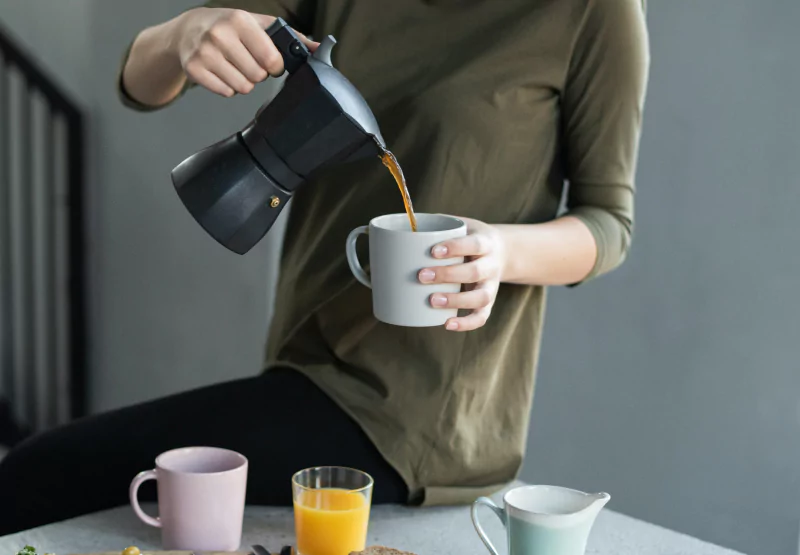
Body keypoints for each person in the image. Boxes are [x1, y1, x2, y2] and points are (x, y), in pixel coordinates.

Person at [0, 0, 649, 533]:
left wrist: (501, 254)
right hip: (299, 364)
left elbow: (608, 222)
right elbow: (142, 82)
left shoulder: (593, 11)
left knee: (39, 474)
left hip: (417, 416)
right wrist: (185, 34)